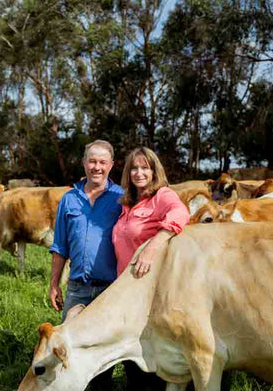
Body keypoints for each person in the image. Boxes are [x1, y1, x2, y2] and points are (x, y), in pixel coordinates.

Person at [112, 147, 190, 391]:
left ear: (154, 171)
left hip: (151, 289)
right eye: (134, 168)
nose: (139, 172)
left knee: (155, 347)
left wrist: (154, 245)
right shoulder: (128, 204)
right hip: (128, 289)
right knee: (135, 347)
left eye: (145, 167)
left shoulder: (162, 196)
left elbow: (181, 212)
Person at [49, 139, 124, 390]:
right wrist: (53, 284)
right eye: (92, 161)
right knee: (69, 345)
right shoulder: (69, 199)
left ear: (111, 165)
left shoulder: (122, 198)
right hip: (77, 287)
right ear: (83, 163)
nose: (97, 167)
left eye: (103, 162)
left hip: (111, 289)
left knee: (104, 349)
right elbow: (60, 246)